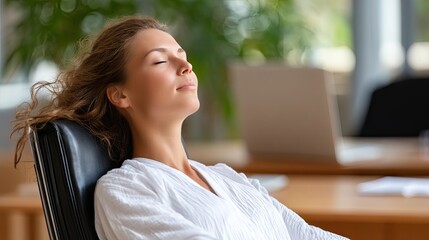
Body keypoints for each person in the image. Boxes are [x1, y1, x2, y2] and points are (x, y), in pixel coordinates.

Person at [12, 16, 348, 240]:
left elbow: (305, 234)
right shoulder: (126, 191)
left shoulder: (228, 178)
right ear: (120, 94)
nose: (185, 65)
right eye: (160, 60)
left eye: (182, 55)